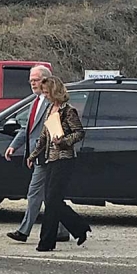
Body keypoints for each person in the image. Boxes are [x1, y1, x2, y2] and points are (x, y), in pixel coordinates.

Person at [5, 65, 70, 243]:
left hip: (48, 155)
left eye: (35, 80)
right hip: (39, 155)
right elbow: (28, 127)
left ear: (45, 80)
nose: (32, 84)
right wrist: (15, 145)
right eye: (31, 81)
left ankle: (24, 231)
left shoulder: (51, 102)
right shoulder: (36, 101)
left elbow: (55, 130)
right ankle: (64, 230)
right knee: (51, 195)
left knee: (35, 193)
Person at [27, 76, 90, 252]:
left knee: (52, 200)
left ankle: (46, 242)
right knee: (52, 200)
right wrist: (33, 155)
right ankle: (79, 227)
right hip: (50, 158)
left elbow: (79, 133)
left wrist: (64, 141)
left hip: (64, 159)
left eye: (47, 92)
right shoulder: (49, 109)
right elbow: (43, 136)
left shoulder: (68, 111)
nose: (45, 95)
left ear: (55, 92)